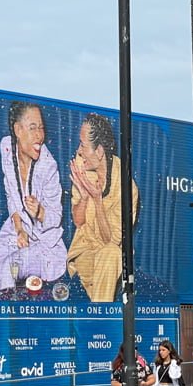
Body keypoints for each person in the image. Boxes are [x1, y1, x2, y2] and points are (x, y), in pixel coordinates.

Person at [0, 102, 67, 293]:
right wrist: (19, 229)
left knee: (9, 268)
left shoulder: (48, 167)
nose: (39, 135)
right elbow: (11, 194)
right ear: (18, 130)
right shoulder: (6, 148)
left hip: (45, 247)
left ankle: (6, 320)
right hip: (18, 236)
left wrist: (40, 212)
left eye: (41, 128)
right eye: (33, 128)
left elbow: (56, 217)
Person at [67, 114, 139, 302]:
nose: (78, 151)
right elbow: (78, 220)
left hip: (109, 255)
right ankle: (102, 318)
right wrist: (83, 197)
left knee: (111, 253)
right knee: (107, 257)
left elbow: (111, 240)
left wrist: (97, 200)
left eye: (82, 145)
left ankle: (99, 318)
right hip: (85, 252)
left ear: (99, 151)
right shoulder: (82, 166)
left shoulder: (126, 188)